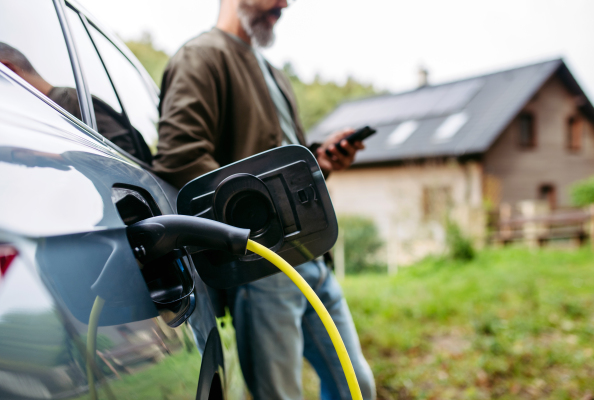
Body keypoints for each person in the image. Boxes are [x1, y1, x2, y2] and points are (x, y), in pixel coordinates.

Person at [153, 1, 376, 399]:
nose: (285, 4)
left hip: (313, 260)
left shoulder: (274, 74)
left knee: (357, 386)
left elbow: (273, 163)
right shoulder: (201, 57)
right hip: (262, 271)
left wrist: (320, 159)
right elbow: (179, 158)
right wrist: (259, 218)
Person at [0, 42, 152, 163]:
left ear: (8, 70)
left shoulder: (70, 102)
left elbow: (126, 156)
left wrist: (45, 157)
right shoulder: (45, 114)